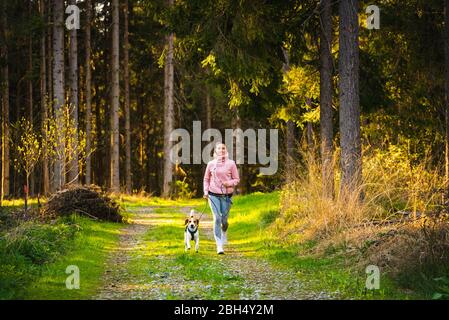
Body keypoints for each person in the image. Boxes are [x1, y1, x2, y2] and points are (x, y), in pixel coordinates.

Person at [203, 143, 240, 254]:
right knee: (217, 218)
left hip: (226, 196)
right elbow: (206, 179)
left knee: (224, 220)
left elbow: (236, 179)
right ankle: (219, 245)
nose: (221, 150)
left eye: (223, 148)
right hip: (213, 195)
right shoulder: (210, 164)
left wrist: (228, 183)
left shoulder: (231, 163)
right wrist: (205, 192)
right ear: (216, 151)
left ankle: (224, 232)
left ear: (226, 150)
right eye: (219, 148)